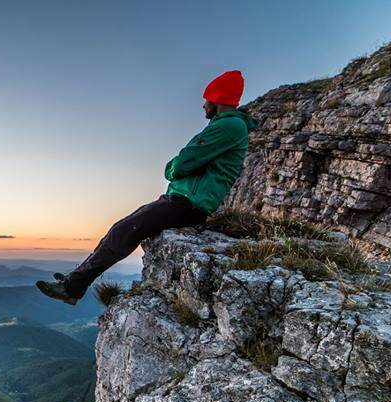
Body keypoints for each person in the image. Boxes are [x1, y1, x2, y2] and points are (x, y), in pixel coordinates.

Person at [37, 70, 259, 305]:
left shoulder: (229, 126)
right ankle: (74, 280)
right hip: (182, 198)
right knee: (118, 229)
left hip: (190, 203)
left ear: (217, 99)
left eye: (206, 99)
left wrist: (172, 168)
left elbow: (182, 163)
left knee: (124, 231)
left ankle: (72, 289)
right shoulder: (225, 125)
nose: (203, 105)